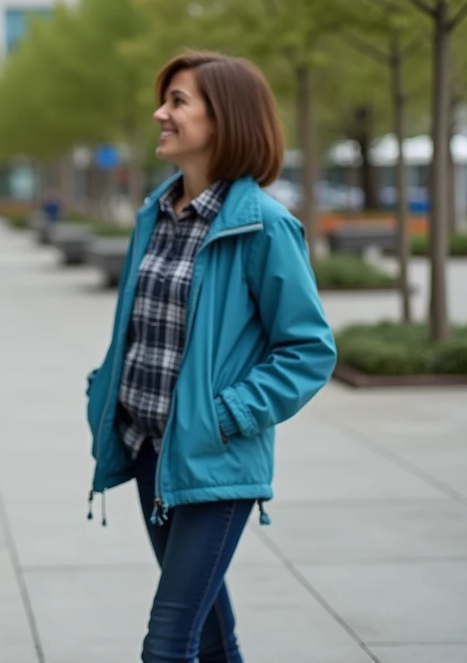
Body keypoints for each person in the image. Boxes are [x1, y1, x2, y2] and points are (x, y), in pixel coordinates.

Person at [84, 51, 337, 662]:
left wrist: (223, 416)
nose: (159, 113)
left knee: (167, 645)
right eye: (163, 99)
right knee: (213, 637)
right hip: (148, 449)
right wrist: (105, 388)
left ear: (224, 120)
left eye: (178, 102)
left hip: (213, 464)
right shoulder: (157, 213)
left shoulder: (266, 228)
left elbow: (309, 350)